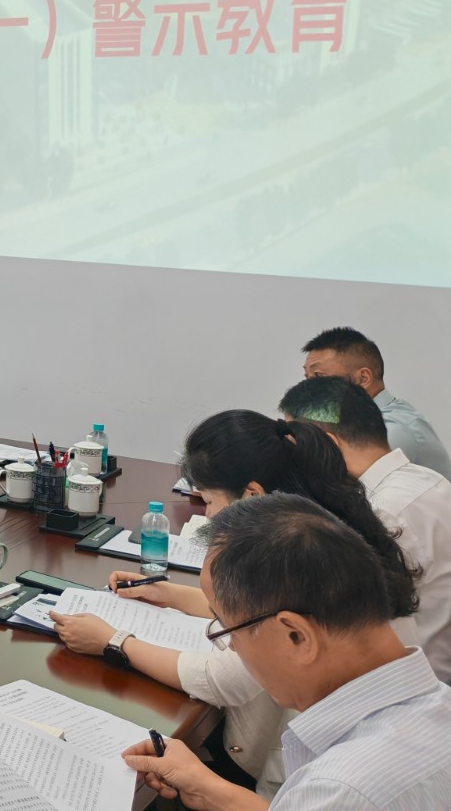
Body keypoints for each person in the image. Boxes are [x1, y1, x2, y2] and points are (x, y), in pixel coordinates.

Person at [48, 411, 420, 798]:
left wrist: (115, 641)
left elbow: (225, 680)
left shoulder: (345, 785)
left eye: (231, 632)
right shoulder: (322, 535)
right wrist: (172, 594)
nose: (226, 641)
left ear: (296, 634)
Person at [118, 495, 451, 811]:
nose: (232, 646)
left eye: (229, 629)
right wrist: (209, 789)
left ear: (297, 636)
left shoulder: (340, 790)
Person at [281, 375, 451, 681]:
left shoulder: (379, 514)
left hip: (411, 681)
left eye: (295, 448)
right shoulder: (429, 479)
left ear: (328, 445)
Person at [301, 326, 450, 480]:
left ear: (363, 379)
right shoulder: (353, 423)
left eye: (319, 376)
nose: (307, 388)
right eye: (307, 377)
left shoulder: (394, 431)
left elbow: (346, 488)